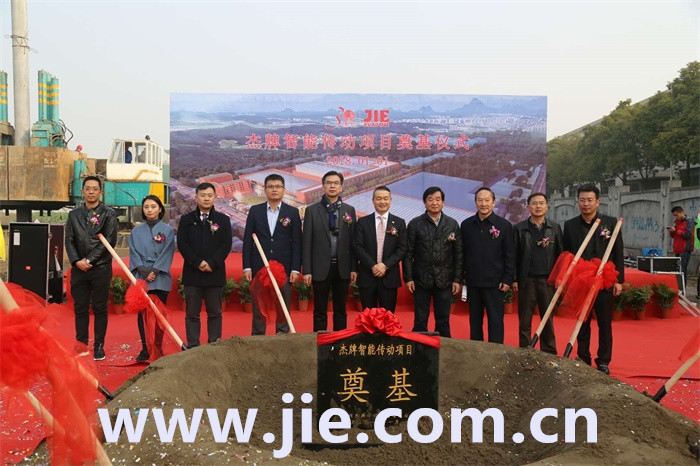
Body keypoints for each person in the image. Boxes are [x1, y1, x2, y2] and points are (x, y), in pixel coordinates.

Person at [563, 184, 624, 375]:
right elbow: (567, 253)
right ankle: (583, 357)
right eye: (582, 200)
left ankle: (603, 360)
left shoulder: (611, 223)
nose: (586, 204)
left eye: (590, 200)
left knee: (604, 323)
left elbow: (618, 252)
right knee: (582, 321)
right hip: (581, 281)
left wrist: (619, 280)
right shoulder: (570, 225)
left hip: (604, 280)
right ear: (577, 202)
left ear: (598, 201)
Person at [65, 176, 117, 361]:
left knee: (100, 308)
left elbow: (109, 241)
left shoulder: (109, 214)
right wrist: (76, 261)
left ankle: (99, 346)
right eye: (88, 188)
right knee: (80, 308)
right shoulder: (74, 215)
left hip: (100, 268)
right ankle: (81, 344)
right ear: (82, 191)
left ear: (100, 192)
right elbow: (69, 240)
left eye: (95, 189)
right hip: (79, 268)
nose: (91, 192)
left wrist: (90, 260)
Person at [242, 174, 302, 335]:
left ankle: (281, 340)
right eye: (270, 186)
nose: (274, 190)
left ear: (284, 190)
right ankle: (258, 339)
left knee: (282, 307)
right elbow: (247, 240)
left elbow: (297, 243)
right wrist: (247, 266)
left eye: (277, 186)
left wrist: (295, 269)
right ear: (265, 189)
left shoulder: (292, 212)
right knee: (259, 307)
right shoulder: (255, 211)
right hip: (259, 267)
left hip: (284, 269)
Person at [177, 182, 232, 348]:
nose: (206, 198)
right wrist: (197, 262)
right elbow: (183, 244)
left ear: (215, 197)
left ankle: (214, 346)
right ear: (196, 197)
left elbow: (226, 245)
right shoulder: (186, 220)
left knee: (215, 313)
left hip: (214, 274)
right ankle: (193, 346)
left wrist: (212, 263)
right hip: (193, 274)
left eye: (209, 195)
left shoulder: (223, 220)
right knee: (192, 314)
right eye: (202, 195)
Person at [403, 187, 462, 337]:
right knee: (420, 319)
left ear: (443, 202)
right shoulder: (415, 224)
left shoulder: (452, 224)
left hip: (444, 279)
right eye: (430, 199)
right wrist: (409, 278)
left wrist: (457, 279)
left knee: (443, 320)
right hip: (421, 278)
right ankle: (419, 347)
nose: (434, 203)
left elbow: (458, 253)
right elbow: (408, 253)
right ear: (424, 202)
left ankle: (443, 346)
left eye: (437, 199)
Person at [302, 171, 357, 331]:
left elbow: (353, 242)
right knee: (320, 310)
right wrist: (307, 270)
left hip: (342, 267)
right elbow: (307, 242)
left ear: (341, 187)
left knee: (341, 310)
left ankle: (339, 341)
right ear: (323, 186)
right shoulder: (312, 211)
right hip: (320, 267)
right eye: (329, 182)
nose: (332, 186)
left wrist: (353, 268)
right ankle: (320, 341)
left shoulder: (349, 210)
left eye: (336, 183)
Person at [461, 187, 515, 344]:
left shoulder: (504, 225)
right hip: (473, 282)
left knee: (496, 320)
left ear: (493, 203)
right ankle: (477, 350)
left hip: (495, 283)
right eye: (480, 200)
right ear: (475, 203)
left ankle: (496, 352)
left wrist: (507, 279)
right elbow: (461, 253)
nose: (483, 204)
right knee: (475, 321)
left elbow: (510, 255)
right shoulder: (466, 225)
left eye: (487, 200)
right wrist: (461, 277)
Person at [513, 192, 563, 354]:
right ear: (528, 207)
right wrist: (514, 279)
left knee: (547, 319)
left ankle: (549, 352)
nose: (538, 206)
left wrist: (559, 277)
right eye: (534, 203)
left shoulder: (554, 228)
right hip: (526, 280)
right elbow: (513, 256)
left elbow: (561, 255)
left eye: (541, 203)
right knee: (525, 320)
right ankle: (525, 351)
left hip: (548, 281)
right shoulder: (519, 228)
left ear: (547, 207)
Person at [128, 195, 175, 361]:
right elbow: (133, 253)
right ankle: (145, 348)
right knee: (142, 315)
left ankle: (158, 346)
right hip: (141, 276)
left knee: (159, 314)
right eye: (146, 207)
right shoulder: (136, 231)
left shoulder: (167, 230)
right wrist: (143, 270)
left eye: (153, 206)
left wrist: (155, 270)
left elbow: (168, 252)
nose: (149, 210)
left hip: (160, 275)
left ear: (160, 209)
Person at [352, 186, 407, 312]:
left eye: (385, 198)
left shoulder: (399, 222)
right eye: (378, 198)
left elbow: (402, 248)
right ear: (373, 200)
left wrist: (385, 265)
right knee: (368, 317)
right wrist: (373, 266)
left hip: (389, 277)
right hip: (367, 275)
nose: (382, 201)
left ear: (390, 201)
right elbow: (357, 246)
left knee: (388, 317)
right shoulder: (363, 222)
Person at [668, 206, 695, 290]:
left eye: (676, 215)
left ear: (682, 212)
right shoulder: (677, 222)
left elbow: (688, 235)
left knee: (682, 270)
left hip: (684, 250)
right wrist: (672, 232)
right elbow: (675, 236)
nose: (675, 217)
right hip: (677, 249)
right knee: (677, 270)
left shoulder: (689, 222)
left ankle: (682, 289)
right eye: (674, 216)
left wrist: (676, 231)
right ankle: (678, 287)